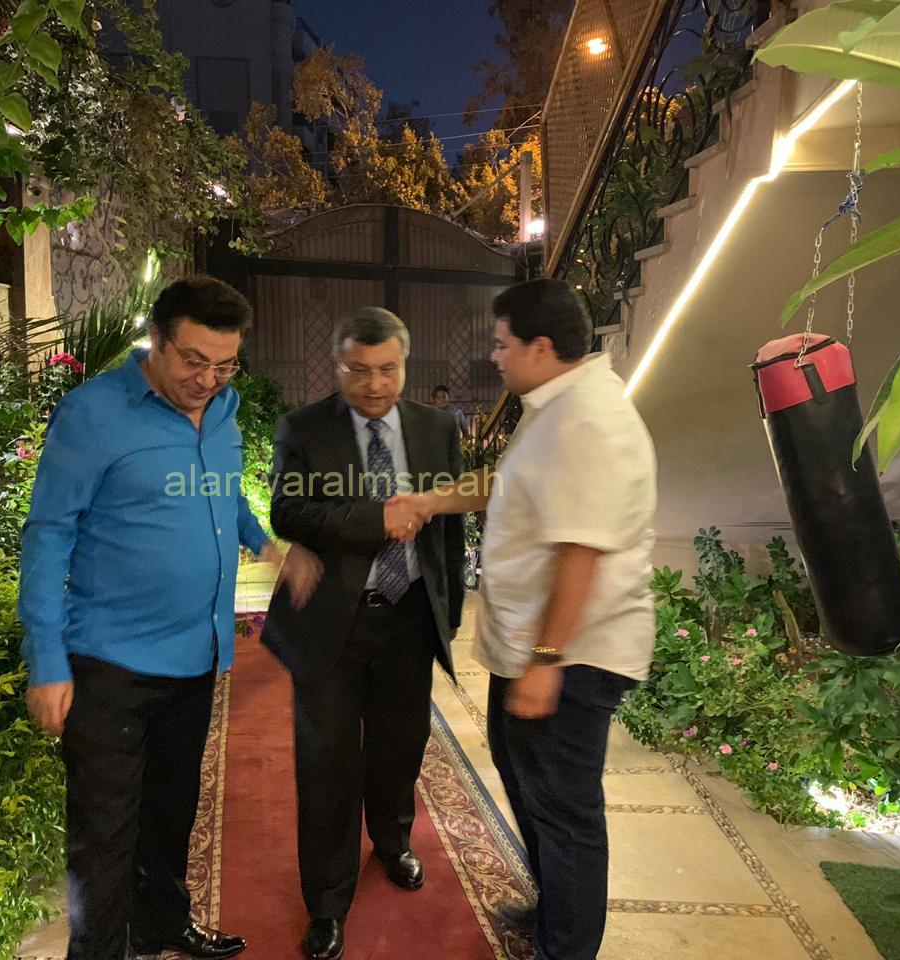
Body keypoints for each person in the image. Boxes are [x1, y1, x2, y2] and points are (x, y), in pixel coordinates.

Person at [19, 276, 321, 960]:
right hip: (110, 665)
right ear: (156, 340)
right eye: (194, 361)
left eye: (225, 365)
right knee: (104, 835)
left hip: (196, 657)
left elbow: (223, 495)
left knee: (171, 813)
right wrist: (47, 660)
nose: (207, 380)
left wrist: (266, 546)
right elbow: (47, 536)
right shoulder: (93, 414)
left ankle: (160, 927)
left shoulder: (222, 411)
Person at [389, 278, 657, 960]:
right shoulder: (554, 406)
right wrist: (429, 502)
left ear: (541, 347)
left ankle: (566, 947)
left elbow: (581, 549)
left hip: (571, 656)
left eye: (502, 344)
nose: (495, 355)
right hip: (533, 650)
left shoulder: (586, 420)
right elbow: (507, 487)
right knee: (529, 787)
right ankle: (553, 909)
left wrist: (546, 660)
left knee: (565, 813)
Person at [261, 307, 466, 960]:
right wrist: (377, 519)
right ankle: (327, 902)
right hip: (332, 623)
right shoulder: (303, 428)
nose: (374, 384)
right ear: (337, 365)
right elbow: (288, 512)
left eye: (387, 369)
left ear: (404, 364)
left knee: (400, 746)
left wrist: (449, 610)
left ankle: (393, 839)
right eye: (358, 370)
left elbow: (450, 524)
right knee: (326, 763)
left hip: (409, 618)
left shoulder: (437, 428)